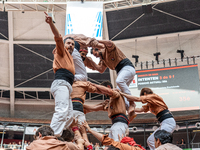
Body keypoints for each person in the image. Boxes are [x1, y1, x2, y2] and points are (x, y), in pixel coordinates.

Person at [45, 12, 75, 136]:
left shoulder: (70, 58)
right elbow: (57, 36)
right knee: (62, 112)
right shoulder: (61, 51)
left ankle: (57, 136)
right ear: (64, 44)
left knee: (69, 116)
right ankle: (49, 138)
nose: (71, 45)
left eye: (73, 44)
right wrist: (51, 23)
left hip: (66, 86)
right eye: (68, 43)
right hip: (61, 83)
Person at [86, 41, 136, 113]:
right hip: (121, 72)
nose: (96, 56)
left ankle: (132, 103)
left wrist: (96, 41)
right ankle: (130, 111)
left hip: (127, 68)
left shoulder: (108, 50)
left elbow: (110, 43)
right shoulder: (103, 60)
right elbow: (101, 70)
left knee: (119, 81)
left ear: (98, 49)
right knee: (119, 94)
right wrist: (91, 61)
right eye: (94, 56)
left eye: (95, 54)